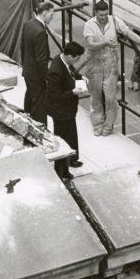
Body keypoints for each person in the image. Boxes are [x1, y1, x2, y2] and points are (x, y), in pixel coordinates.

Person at [82, 0, 132, 136]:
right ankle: (97, 124)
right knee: (95, 96)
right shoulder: (89, 25)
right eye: (101, 15)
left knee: (110, 98)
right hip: (94, 64)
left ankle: (108, 125)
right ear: (96, 13)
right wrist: (105, 43)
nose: (104, 17)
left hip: (110, 65)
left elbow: (128, 33)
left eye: (105, 14)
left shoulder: (114, 21)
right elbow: (91, 45)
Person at [46, 40, 85, 179]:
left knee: (71, 135)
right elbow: (55, 95)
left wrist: (80, 78)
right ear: (70, 56)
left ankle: (72, 158)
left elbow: (72, 72)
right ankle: (62, 171)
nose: (77, 61)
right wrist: (72, 92)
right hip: (60, 111)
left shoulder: (64, 62)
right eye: (76, 58)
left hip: (67, 110)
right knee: (63, 139)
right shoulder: (55, 71)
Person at [20, 1, 54, 124]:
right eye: (51, 14)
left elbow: (22, 47)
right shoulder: (40, 32)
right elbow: (41, 59)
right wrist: (46, 77)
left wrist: (25, 65)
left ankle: (26, 120)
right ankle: (40, 129)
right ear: (44, 13)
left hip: (28, 71)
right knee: (39, 104)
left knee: (30, 97)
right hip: (36, 75)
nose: (52, 17)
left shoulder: (28, 24)